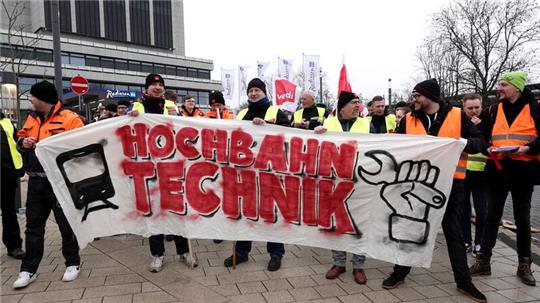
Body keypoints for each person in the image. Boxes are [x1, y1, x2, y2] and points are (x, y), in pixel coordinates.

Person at [382, 79, 487, 303]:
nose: (414, 100)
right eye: (413, 96)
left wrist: (461, 143)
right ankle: (399, 273)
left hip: (452, 185)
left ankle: (464, 282)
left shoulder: (457, 115)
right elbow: (395, 147)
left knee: (454, 235)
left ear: (429, 96)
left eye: (417, 96)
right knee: (411, 232)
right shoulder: (408, 120)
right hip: (418, 186)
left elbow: (480, 143)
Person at [470, 71, 539, 286]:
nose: (499, 88)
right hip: (497, 170)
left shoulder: (535, 108)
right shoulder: (493, 109)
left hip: (524, 171)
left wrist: (527, 148)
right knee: (492, 216)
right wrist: (485, 143)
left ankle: (524, 265)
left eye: (503, 84)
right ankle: (483, 262)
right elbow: (480, 133)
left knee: (522, 219)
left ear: (516, 87)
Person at [13, 81, 84, 289]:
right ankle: (28, 269)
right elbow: (22, 137)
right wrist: (22, 143)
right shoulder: (32, 117)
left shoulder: (70, 118)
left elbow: (81, 146)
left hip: (60, 182)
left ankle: (72, 263)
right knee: (33, 228)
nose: (29, 99)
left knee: (65, 224)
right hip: (36, 181)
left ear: (42, 99)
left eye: (32, 96)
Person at [129, 74, 196, 272]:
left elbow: (187, 131)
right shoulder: (138, 106)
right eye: (153, 84)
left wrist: (179, 118)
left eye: (160, 84)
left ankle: (184, 251)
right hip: (148, 169)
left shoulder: (171, 106)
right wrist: (129, 120)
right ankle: (157, 255)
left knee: (177, 211)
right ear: (147, 88)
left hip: (172, 166)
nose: (157, 87)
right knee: (153, 214)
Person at [223, 78, 289, 271]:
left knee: (270, 215)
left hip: (271, 172)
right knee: (244, 213)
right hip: (245, 173)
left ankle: (276, 254)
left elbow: (290, 136)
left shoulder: (276, 112)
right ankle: (241, 252)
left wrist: (267, 128)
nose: (253, 93)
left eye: (257, 90)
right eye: (250, 90)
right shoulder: (242, 113)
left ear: (264, 93)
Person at [314, 91, 369, 284]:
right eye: (354, 102)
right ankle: (339, 262)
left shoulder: (366, 123)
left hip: (360, 182)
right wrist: (317, 133)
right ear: (343, 106)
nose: (357, 105)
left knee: (359, 225)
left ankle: (358, 266)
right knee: (336, 224)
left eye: (358, 103)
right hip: (334, 182)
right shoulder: (328, 124)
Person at [461, 94, 488, 256]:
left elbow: (489, 144)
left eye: (477, 107)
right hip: (463, 172)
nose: (474, 111)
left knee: (482, 211)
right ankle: (466, 240)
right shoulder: (460, 123)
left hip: (482, 173)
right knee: (463, 210)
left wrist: (482, 127)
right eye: (470, 108)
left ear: (481, 106)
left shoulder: (487, 123)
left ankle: (479, 243)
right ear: (463, 108)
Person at [0, 113, 25, 260]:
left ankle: (14, 246)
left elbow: (17, 145)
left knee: (9, 212)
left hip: (6, 176)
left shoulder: (7, 122)